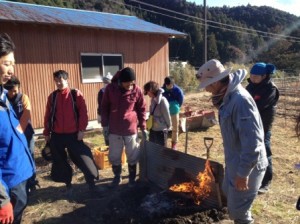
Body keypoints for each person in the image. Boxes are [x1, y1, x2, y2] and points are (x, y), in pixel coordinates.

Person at [197, 59, 268, 224]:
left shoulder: (240, 101)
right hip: (235, 160)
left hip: (249, 165)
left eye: (207, 85)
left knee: (238, 211)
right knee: (228, 193)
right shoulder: (227, 99)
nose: (206, 90)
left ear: (215, 83)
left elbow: (252, 143)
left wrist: (243, 174)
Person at [43, 70, 100, 197]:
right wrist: (46, 132)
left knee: (84, 158)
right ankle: (68, 186)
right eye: (56, 80)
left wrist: (81, 130)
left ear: (66, 80)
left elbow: (83, 114)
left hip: (73, 134)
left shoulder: (75, 94)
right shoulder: (52, 97)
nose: (59, 82)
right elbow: (48, 116)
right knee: (60, 161)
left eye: (61, 80)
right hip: (57, 135)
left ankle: (92, 185)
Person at [0, 33, 35, 224]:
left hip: (20, 176)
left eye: (12, 64)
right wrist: (2, 200)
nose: (11, 70)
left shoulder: (4, 96)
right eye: (6, 63)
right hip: (7, 183)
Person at [101, 67, 147, 188]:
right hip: (114, 129)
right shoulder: (110, 89)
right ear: (121, 81)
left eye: (133, 82)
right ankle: (117, 176)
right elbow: (104, 108)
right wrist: (105, 126)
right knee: (114, 155)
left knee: (133, 154)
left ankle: (132, 178)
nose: (131, 85)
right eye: (128, 83)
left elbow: (142, 109)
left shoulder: (137, 90)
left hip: (130, 128)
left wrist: (143, 126)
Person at [246, 62, 279, 194]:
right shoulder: (251, 86)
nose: (253, 78)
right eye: (252, 75)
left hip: (263, 125)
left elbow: (259, 106)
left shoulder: (271, 88)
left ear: (264, 76)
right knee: (249, 149)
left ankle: (266, 181)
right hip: (250, 123)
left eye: (256, 76)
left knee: (265, 150)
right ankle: (251, 176)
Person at [4, 76, 39, 194]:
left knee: (30, 154)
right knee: (17, 159)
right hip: (11, 136)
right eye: (11, 90)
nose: (13, 93)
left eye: (15, 90)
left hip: (26, 133)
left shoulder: (23, 98)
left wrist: (19, 131)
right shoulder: (4, 100)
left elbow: (26, 114)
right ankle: (20, 184)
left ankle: (32, 181)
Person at [143, 81, 171, 146]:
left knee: (161, 151)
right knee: (152, 149)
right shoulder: (152, 100)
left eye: (147, 92)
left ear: (151, 90)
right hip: (153, 129)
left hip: (161, 130)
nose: (147, 94)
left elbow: (167, 115)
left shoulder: (163, 101)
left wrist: (169, 126)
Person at [162, 76, 184, 150]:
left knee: (175, 128)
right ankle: (163, 143)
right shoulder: (162, 90)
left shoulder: (178, 90)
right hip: (164, 112)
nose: (169, 87)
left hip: (174, 111)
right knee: (164, 128)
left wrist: (176, 106)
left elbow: (180, 101)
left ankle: (174, 144)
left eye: (170, 85)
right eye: (167, 85)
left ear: (173, 84)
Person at [97, 73, 113, 145]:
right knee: (106, 134)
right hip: (105, 117)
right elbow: (100, 104)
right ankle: (108, 148)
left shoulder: (115, 91)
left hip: (114, 117)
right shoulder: (101, 91)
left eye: (107, 82)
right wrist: (99, 115)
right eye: (105, 82)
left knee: (115, 135)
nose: (105, 83)